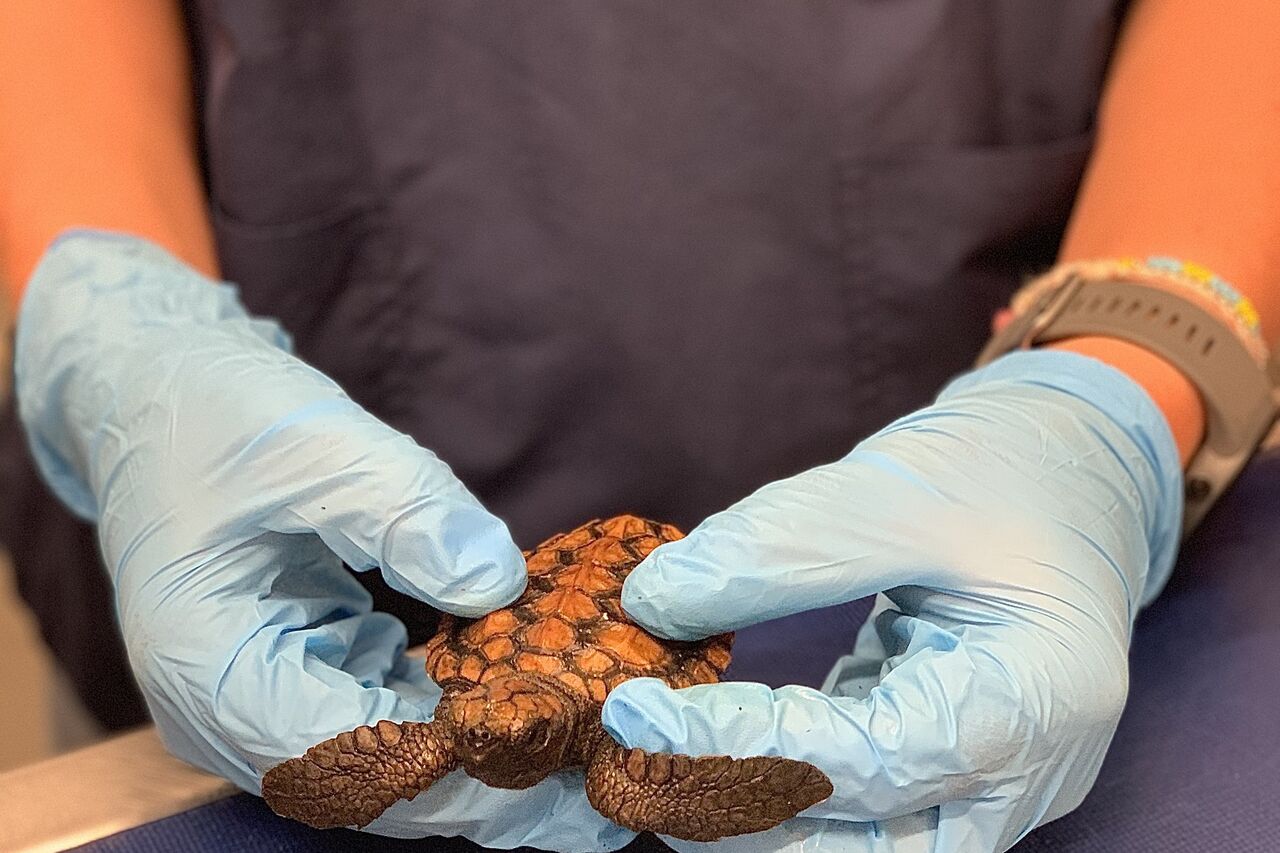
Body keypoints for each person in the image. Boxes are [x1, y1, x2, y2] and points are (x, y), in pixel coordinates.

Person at [1, 2, 1278, 851]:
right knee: (268, 761)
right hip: (276, 385)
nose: (497, 743)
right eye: (499, 736)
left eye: (501, 736)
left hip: (944, 362)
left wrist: (1116, 380)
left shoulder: (602, 748)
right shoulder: (468, 714)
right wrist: (119, 329)